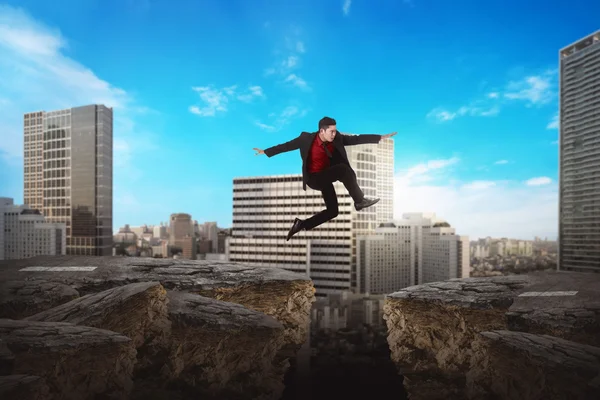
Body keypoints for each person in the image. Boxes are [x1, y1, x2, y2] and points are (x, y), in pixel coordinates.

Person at [253, 116, 397, 240]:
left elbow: (355, 139)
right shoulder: (305, 139)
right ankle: (359, 201)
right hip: (314, 179)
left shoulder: (337, 138)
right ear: (322, 131)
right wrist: (265, 151)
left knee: (333, 211)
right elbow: (286, 146)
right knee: (343, 170)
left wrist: (379, 137)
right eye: (331, 131)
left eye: (335, 131)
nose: (334, 134)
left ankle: (302, 224)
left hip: (326, 176)